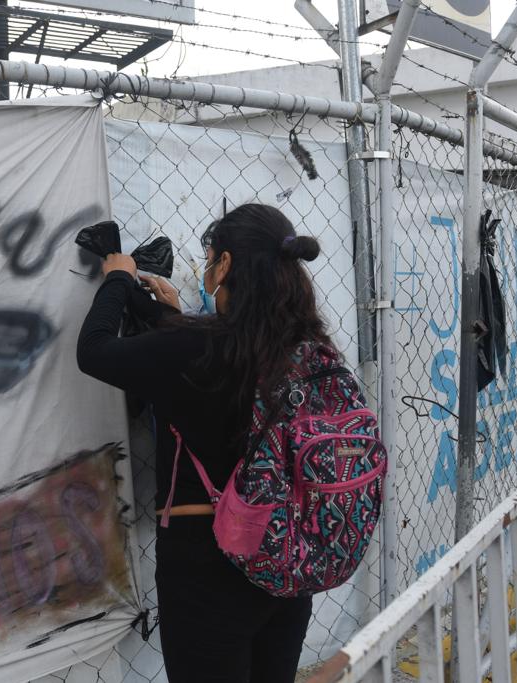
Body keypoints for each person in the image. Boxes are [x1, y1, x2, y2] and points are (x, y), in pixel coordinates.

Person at [77, 203, 333, 682]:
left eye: (210, 257)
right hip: (287, 555)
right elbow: (216, 366)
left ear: (227, 265)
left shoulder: (197, 347)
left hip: (207, 567)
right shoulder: (307, 347)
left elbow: (94, 352)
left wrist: (116, 277)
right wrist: (171, 316)